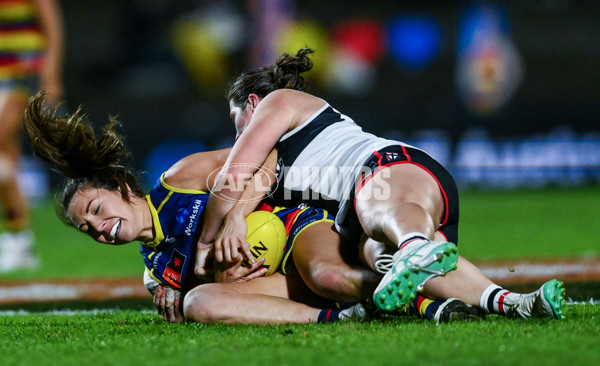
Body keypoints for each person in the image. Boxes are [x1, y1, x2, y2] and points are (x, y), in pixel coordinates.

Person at [23, 92, 482, 325]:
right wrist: (208, 286)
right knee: (200, 302)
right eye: (89, 229)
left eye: (98, 210)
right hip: (274, 278)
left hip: (296, 226)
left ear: (123, 187)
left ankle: (431, 300)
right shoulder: (155, 271)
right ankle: (341, 318)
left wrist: (236, 216)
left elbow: (265, 161)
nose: (100, 229)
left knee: (331, 276)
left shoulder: (179, 179)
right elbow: (213, 285)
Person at [194, 48, 565, 317]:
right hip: (364, 214)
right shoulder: (279, 160)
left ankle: (414, 245)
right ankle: (513, 303)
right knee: (376, 252)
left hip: (387, 170)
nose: (236, 131)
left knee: (378, 215)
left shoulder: (280, 100)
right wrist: (236, 218)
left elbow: (231, 176)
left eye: (235, 118)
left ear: (253, 103)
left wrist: (204, 247)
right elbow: (256, 181)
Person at [0, 0, 64, 272]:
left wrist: (51, 75)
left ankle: (18, 240)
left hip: (23, 71)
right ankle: (19, 238)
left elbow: (52, 26)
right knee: (5, 158)